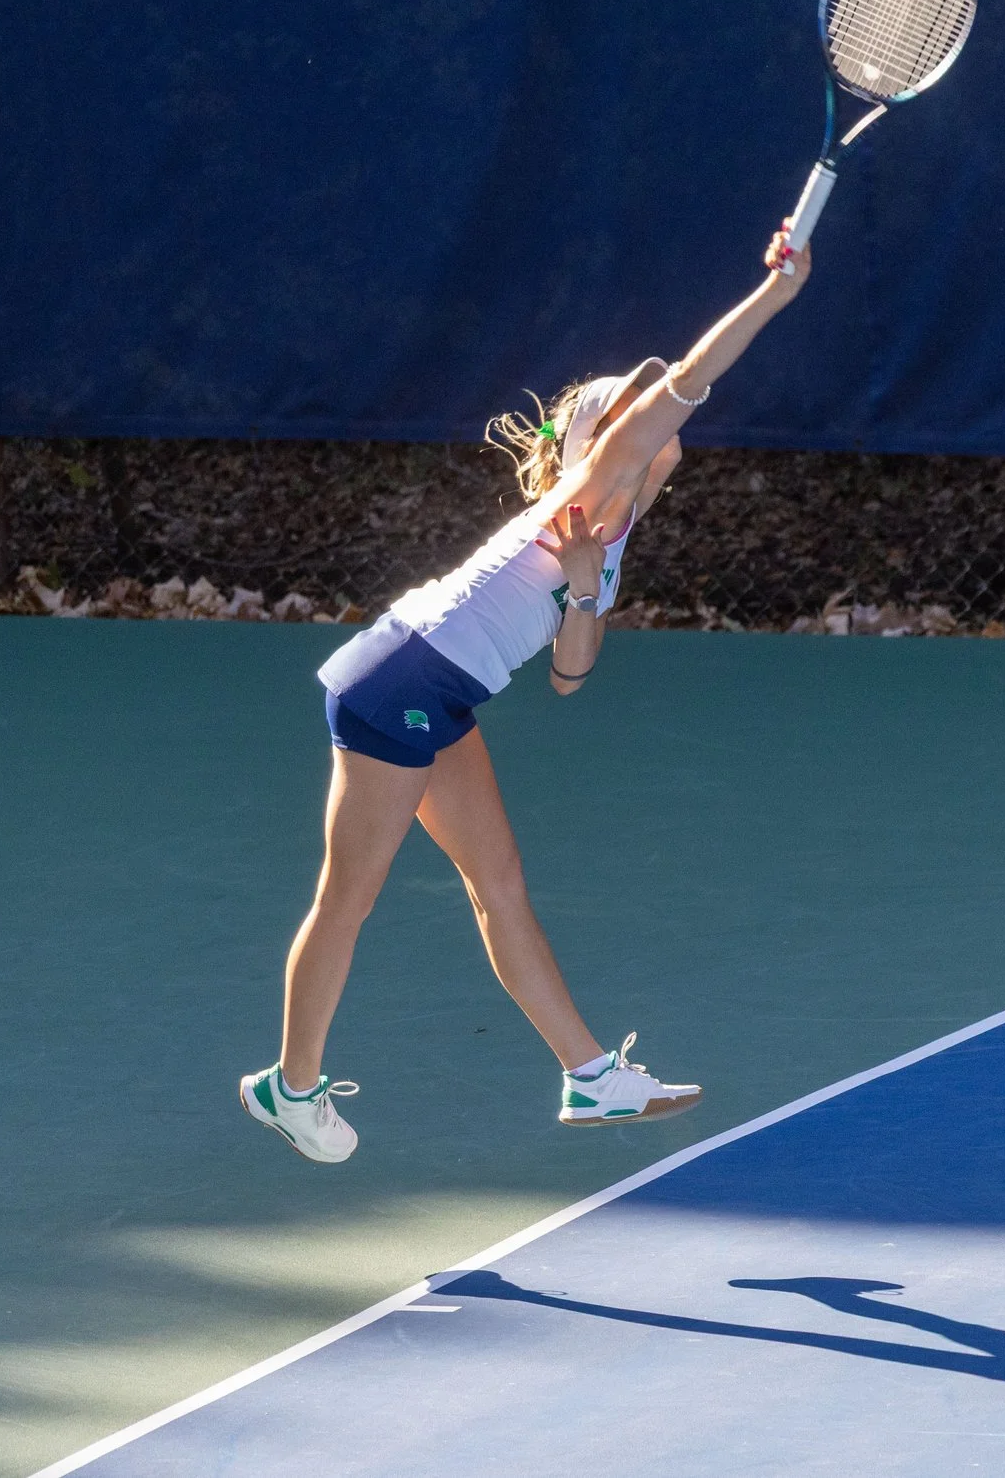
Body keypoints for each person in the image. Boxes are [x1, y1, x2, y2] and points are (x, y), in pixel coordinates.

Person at [240, 229, 812, 1162]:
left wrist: (585, 586)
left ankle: (588, 1079)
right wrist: (775, 295)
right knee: (349, 896)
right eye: (635, 408)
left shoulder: (607, 539)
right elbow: (693, 378)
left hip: (444, 690)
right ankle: (289, 1088)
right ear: (605, 439)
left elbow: (569, 673)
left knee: (499, 883)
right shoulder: (594, 481)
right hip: (400, 679)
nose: (658, 416)